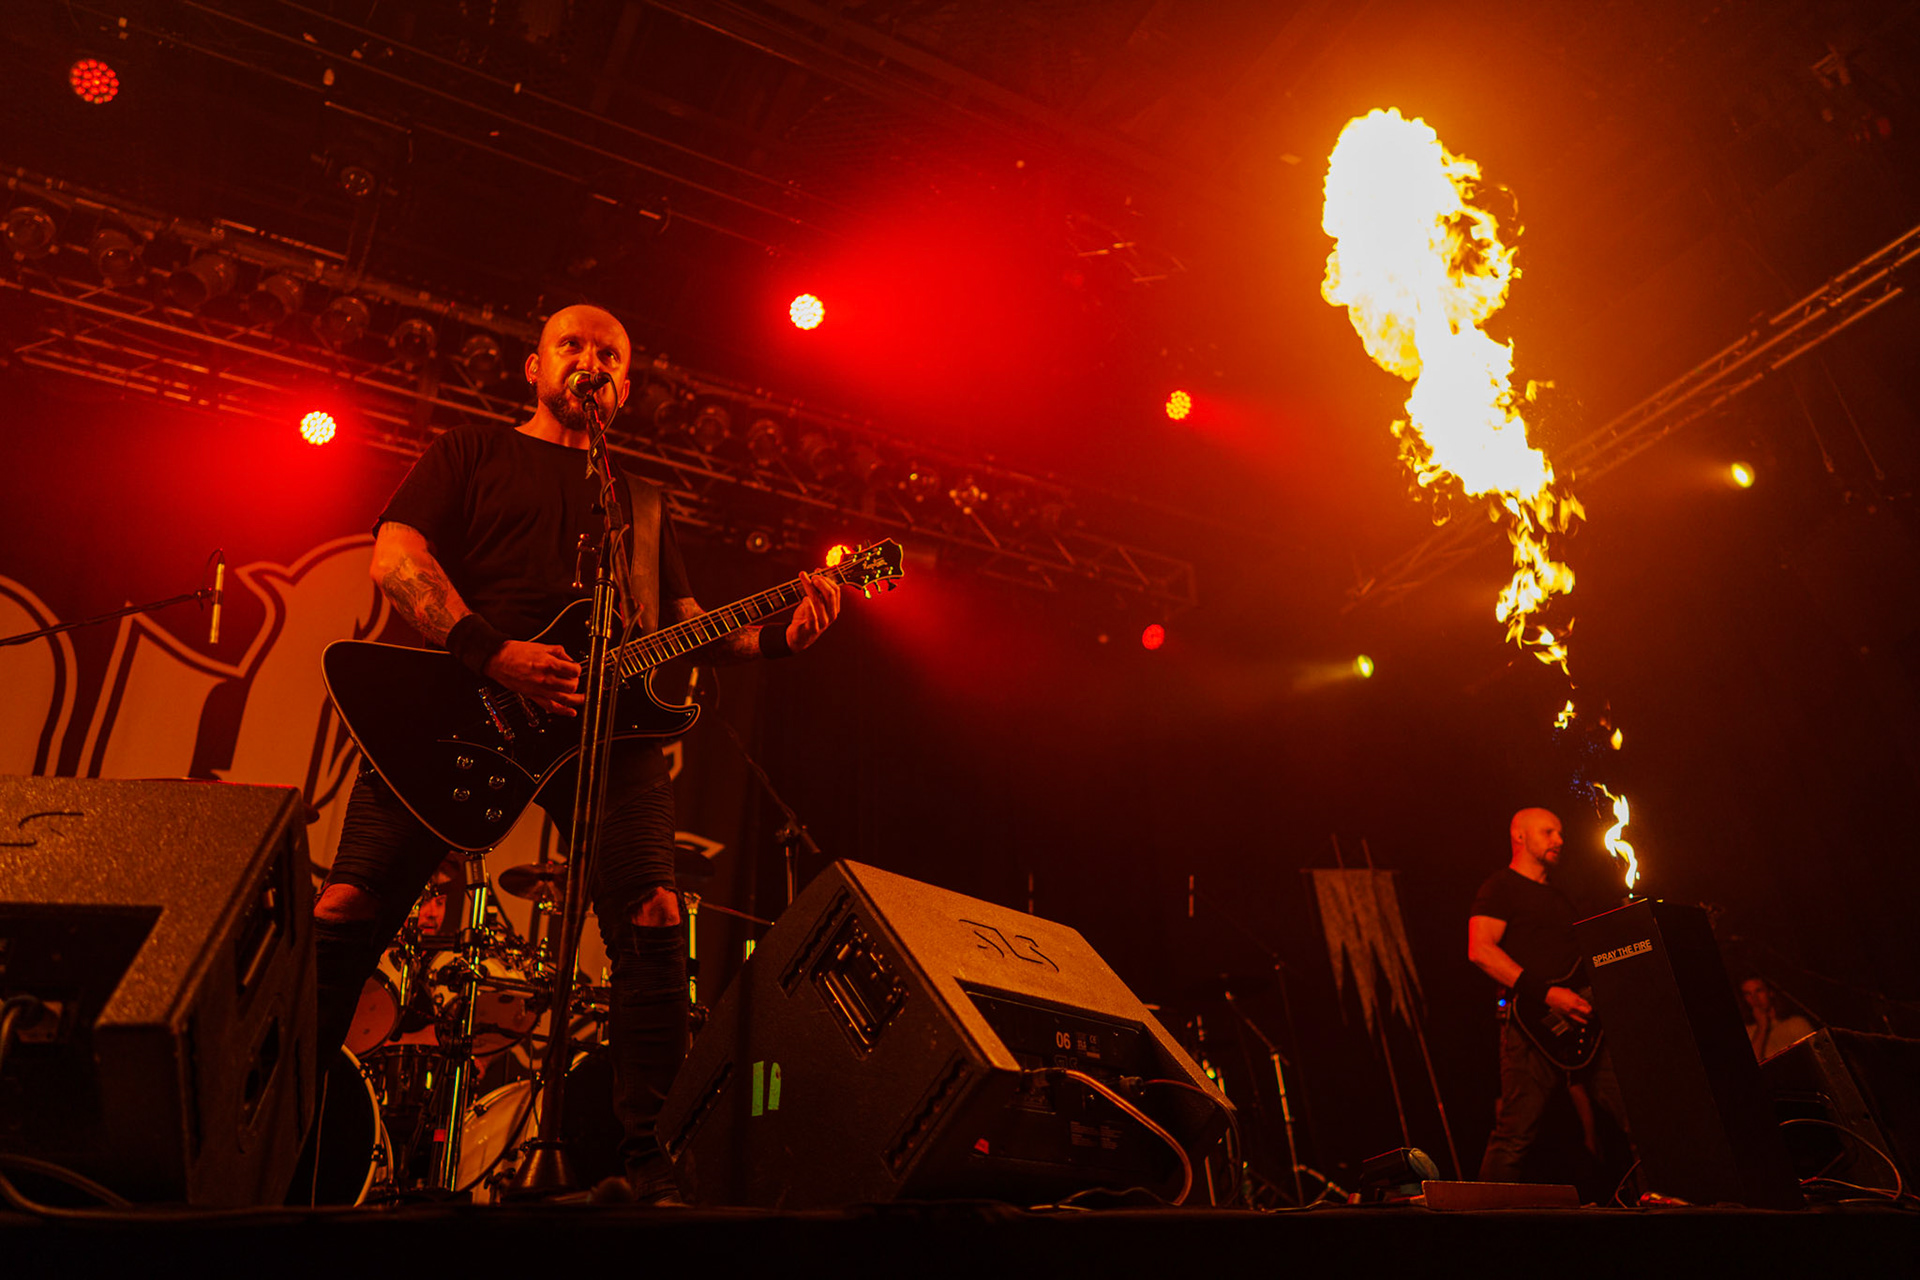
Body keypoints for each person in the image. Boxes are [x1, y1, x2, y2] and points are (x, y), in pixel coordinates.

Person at [311, 303, 841, 1203]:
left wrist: (780, 637)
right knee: (349, 900)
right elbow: (396, 557)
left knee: (657, 914)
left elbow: (680, 632)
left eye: (609, 354)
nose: (589, 361)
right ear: (535, 365)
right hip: (463, 704)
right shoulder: (471, 452)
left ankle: (650, 1167)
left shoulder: (635, 501)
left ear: (625, 387)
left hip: (606, 727)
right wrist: (494, 652)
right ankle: (278, 1120)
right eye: (573, 345)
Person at [1467, 807, 1630, 1185]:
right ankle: (1475, 1226)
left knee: (1637, 1115)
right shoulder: (1500, 887)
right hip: (1531, 1026)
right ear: (1520, 836)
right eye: (1548, 832)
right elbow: (1480, 950)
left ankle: (1668, 1203)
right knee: (1514, 1135)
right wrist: (1547, 994)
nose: (1559, 840)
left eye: (1560, 832)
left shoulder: (1561, 897)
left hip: (1583, 1023)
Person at [1739, 976, 1816, 1061]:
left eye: (1759, 991)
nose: (1755, 998)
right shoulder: (1749, 1032)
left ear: (1770, 992)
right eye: (1748, 994)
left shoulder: (1796, 1023)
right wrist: (1761, 1027)